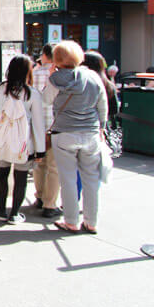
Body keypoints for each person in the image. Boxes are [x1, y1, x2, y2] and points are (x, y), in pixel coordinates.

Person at [45, 41, 108, 234]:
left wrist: (51, 75)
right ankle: (91, 222)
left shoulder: (55, 80)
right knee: (91, 178)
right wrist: (102, 128)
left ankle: (71, 220)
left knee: (68, 179)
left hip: (64, 133)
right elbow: (102, 105)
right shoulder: (93, 77)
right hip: (90, 132)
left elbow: (47, 100)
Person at [0, 55, 45, 225]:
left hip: (2, 140)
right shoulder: (33, 94)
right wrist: (40, 150)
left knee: (2, 173)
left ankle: (1, 209)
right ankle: (15, 213)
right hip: (25, 144)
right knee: (21, 178)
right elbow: (38, 125)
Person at [31, 44, 61, 218]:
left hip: (37, 124)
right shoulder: (61, 76)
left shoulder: (34, 74)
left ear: (45, 55)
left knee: (39, 164)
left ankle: (40, 197)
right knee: (53, 167)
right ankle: (50, 204)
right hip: (55, 124)